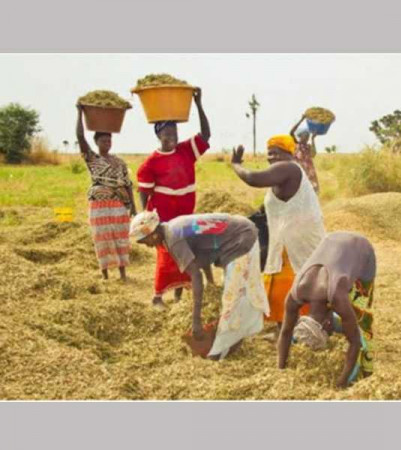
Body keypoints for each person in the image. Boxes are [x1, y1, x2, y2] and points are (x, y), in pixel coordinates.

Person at [129, 210, 269, 360]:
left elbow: (196, 275)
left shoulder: (174, 239)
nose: (147, 246)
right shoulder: (171, 229)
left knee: (233, 298)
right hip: (239, 232)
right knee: (234, 293)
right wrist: (211, 283)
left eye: (145, 241)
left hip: (240, 239)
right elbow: (201, 252)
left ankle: (221, 349)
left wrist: (196, 321)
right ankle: (231, 340)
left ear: (153, 234)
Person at [230, 136, 326, 332]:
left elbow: (253, 178)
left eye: (276, 152)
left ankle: (303, 330)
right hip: (286, 241)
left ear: (289, 153)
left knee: (296, 284)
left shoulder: (289, 168)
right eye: (269, 153)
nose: (271, 157)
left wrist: (235, 165)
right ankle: (284, 331)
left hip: (298, 241)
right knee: (283, 287)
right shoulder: (283, 174)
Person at [136, 87, 213, 309]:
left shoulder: (185, 151)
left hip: (185, 215)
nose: (171, 138)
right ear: (158, 135)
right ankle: (158, 297)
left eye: (174, 134)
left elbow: (206, 135)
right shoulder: (151, 162)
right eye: (167, 134)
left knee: (186, 254)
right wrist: (147, 218)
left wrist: (198, 104)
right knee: (167, 257)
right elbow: (144, 191)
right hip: (165, 218)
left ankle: (179, 297)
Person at [278, 232, 376, 388]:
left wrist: (342, 382)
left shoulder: (337, 296)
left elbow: (355, 341)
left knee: (362, 320)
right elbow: (286, 332)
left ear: (327, 322)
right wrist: (281, 370)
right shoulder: (295, 294)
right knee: (348, 316)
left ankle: (367, 370)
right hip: (332, 240)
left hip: (360, 249)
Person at [76, 104, 136, 281]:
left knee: (120, 237)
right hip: (99, 205)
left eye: (109, 141)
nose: (107, 144)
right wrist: (79, 113)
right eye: (103, 141)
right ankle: (105, 275)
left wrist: (133, 206)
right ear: (96, 142)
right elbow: (80, 136)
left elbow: (128, 185)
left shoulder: (119, 162)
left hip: (118, 205)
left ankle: (123, 274)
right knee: (102, 239)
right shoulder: (93, 159)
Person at [290, 114, 319, 194]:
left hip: (309, 173)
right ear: (300, 136)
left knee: (310, 192)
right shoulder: (296, 144)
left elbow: (313, 154)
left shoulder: (308, 147)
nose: (307, 137)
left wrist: (313, 139)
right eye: (305, 135)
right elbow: (291, 132)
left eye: (308, 136)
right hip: (298, 172)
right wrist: (301, 119)